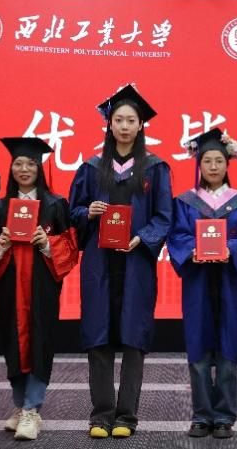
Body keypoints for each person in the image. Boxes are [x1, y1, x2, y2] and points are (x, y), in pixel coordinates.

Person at [69, 84, 173, 439]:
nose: (125, 126)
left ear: (141, 125)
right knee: (98, 337)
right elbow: (73, 212)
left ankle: (126, 416)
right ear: (109, 124)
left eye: (131, 120)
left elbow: (164, 216)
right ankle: (101, 415)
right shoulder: (91, 167)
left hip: (135, 262)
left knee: (132, 337)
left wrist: (141, 238)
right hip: (99, 262)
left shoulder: (155, 168)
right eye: (119, 120)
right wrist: (88, 212)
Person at [0, 136, 79, 441]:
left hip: (41, 288)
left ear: (39, 168)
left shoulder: (55, 205)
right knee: (12, 341)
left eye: (30, 163)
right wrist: (0, 245)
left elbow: (71, 247)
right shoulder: (0, 207)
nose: (24, 169)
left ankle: (31, 409)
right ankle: (20, 405)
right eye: (18, 163)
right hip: (10, 288)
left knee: (40, 341)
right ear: (11, 168)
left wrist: (47, 243)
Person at [167, 128, 237, 440]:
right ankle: (202, 415)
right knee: (199, 348)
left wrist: (232, 250)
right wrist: (192, 249)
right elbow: (177, 235)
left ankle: (225, 416)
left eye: (219, 160)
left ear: (228, 164)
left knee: (228, 349)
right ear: (199, 164)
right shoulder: (185, 202)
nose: (213, 166)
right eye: (207, 161)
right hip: (198, 282)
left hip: (229, 281)